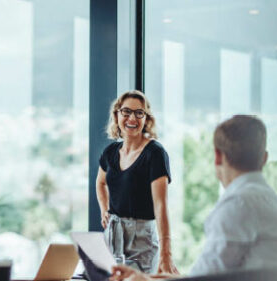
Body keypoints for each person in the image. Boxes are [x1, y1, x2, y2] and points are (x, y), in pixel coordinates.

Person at [111, 115, 277, 280]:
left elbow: (203, 279)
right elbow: (208, 276)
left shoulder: (238, 206)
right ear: (264, 159)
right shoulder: (269, 201)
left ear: (218, 157)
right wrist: (147, 279)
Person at [96, 90, 177, 274]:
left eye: (139, 113)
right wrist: (104, 209)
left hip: (142, 238)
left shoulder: (155, 153)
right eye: (126, 112)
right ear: (117, 115)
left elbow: (161, 206)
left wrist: (166, 254)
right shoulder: (110, 152)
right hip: (113, 234)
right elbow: (100, 183)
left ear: (146, 119)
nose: (132, 118)